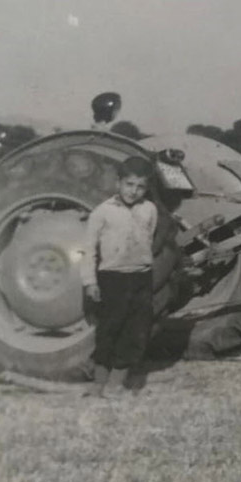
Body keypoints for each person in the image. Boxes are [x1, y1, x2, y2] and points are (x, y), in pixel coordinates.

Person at [82, 156, 158, 397]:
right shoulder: (102, 212)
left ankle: (116, 383)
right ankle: (98, 383)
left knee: (135, 332)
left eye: (140, 187)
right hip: (112, 278)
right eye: (129, 184)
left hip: (141, 278)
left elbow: (150, 238)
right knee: (109, 330)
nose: (134, 191)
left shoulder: (149, 210)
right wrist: (90, 282)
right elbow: (89, 250)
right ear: (118, 182)